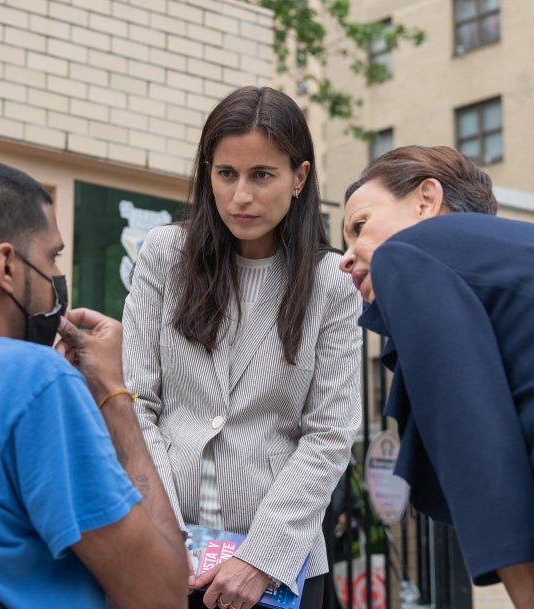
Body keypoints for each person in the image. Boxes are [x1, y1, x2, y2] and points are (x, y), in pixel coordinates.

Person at [0, 139, 187, 609]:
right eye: (52, 257)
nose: (57, 274)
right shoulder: (33, 382)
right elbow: (162, 595)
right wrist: (114, 393)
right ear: (7, 265)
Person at [339, 144, 534, 609]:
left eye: (360, 226)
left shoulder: (408, 250)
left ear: (426, 199)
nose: (346, 258)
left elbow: (469, 430)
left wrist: (528, 593)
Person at [122, 86, 362, 609]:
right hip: (167, 557)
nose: (240, 197)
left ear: (299, 178)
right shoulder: (166, 256)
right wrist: (166, 534)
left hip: (275, 570)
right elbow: (137, 401)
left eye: (262, 175)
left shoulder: (330, 284)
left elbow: (331, 433)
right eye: (226, 174)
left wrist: (259, 558)